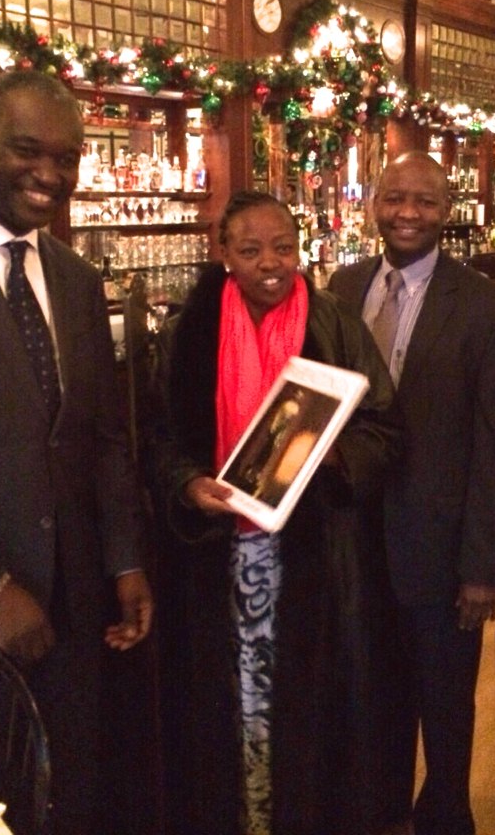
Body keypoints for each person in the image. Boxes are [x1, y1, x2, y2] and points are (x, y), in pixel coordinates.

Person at [0, 70, 154, 835]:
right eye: (28, 150)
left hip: (75, 611)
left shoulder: (78, 280)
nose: (51, 174)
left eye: (68, 157)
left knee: (70, 797)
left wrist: (125, 562)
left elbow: (103, 441)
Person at [151, 190, 407, 835]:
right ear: (224, 253)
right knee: (226, 708)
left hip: (313, 557)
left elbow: (386, 428)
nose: (270, 263)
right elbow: (156, 437)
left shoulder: (335, 323)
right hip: (215, 555)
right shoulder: (190, 330)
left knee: (307, 709)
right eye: (250, 250)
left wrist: (333, 454)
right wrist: (187, 483)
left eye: (283, 247)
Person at [329, 152, 495, 835]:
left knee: (444, 709)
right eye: (395, 198)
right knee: (369, 700)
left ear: (447, 210)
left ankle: (445, 818)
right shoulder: (343, 287)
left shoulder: (487, 305)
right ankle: (378, 814)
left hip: (440, 553)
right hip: (354, 545)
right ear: (374, 203)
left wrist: (483, 567)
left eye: (425, 201)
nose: (407, 213)